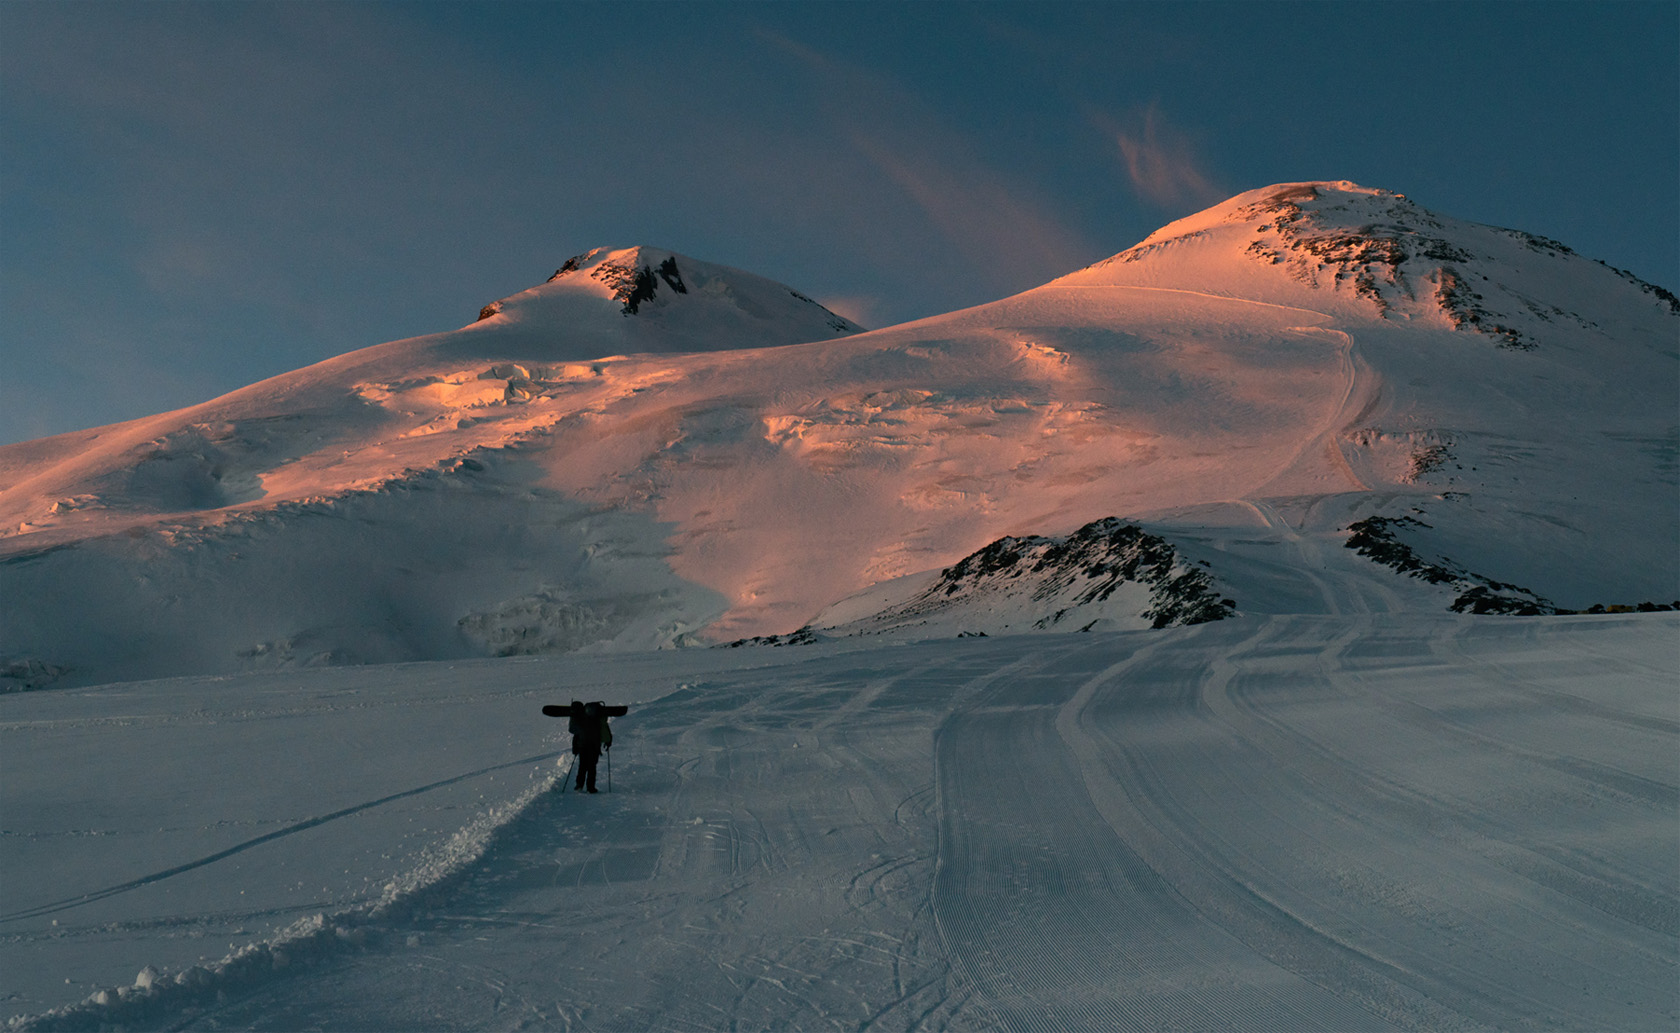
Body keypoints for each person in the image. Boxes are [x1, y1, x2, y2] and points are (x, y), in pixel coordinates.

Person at [567, 700, 613, 793]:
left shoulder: (581, 718)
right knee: (592, 767)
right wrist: (608, 742)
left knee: (582, 766)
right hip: (594, 746)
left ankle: (579, 785)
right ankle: (590, 788)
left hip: (582, 745)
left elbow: (576, 734)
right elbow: (605, 731)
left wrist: (575, 747)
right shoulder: (598, 720)